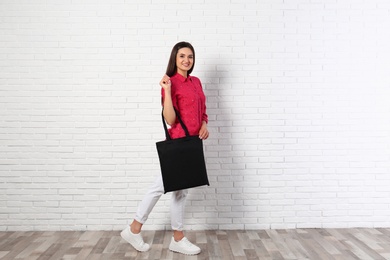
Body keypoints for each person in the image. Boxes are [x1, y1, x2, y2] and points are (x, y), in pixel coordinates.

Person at [121, 41, 209, 255]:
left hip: (193, 144)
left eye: (190, 56)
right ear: (174, 59)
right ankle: (135, 227)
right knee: (162, 187)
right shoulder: (169, 82)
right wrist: (167, 91)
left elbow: (202, 109)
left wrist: (204, 124)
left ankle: (175, 237)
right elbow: (170, 119)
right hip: (178, 142)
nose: (186, 60)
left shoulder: (196, 82)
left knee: (180, 190)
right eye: (182, 56)